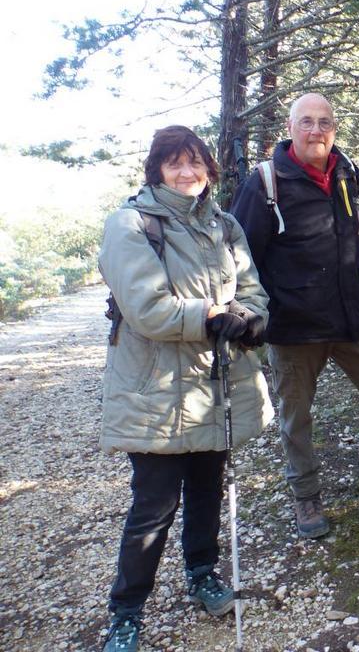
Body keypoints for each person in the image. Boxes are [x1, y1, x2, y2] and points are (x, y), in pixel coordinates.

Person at [232, 92, 359, 540]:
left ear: (334, 128)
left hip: (351, 318)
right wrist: (248, 316)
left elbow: (356, 237)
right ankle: (305, 495)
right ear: (290, 129)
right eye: (306, 122)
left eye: (324, 122)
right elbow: (240, 256)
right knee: (297, 416)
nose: (316, 131)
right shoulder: (264, 183)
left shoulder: (347, 172)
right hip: (294, 326)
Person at [98, 126, 274, 652]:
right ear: (156, 170)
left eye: (195, 162)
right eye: (174, 163)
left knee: (206, 490)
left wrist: (246, 317)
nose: (186, 172)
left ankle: (202, 573)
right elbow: (147, 308)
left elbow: (253, 289)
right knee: (153, 506)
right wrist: (211, 315)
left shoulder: (223, 225)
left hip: (215, 386)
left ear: (208, 170)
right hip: (156, 389)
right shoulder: (131, 224)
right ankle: (126, 613)